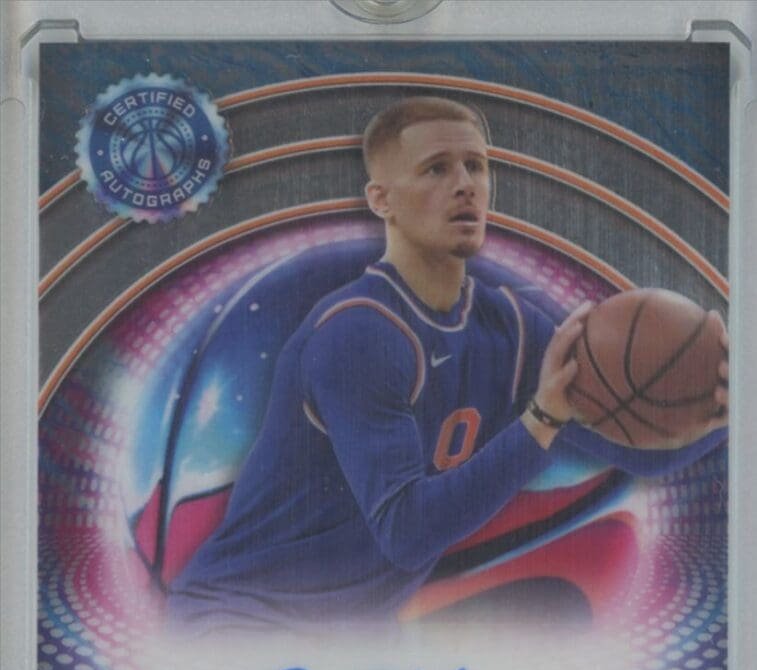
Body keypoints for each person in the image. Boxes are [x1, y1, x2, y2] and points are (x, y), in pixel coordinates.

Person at [167, 97, 728, 633]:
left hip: (351, 637)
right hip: (240, 619)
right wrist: (540, 420)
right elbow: (407, 534)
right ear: (381, 200)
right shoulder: (358, 332)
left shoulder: (510, 327)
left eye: (476, 166)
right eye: (436, 169)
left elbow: (632, 446)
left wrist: (725, 409)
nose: (465, 185)